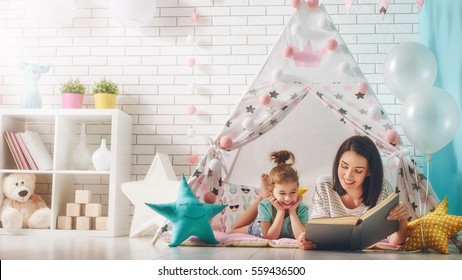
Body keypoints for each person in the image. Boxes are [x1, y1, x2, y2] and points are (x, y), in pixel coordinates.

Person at [299, 135, 410, 250]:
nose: (348, 176)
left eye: (358, 171)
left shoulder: (382, 189)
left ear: (369, 172)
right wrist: (306, 239)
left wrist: (403, 219)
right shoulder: (324, 186)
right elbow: (317, 234)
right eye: (344, 166)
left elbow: (395, 240)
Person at [231, 150, 308, 241]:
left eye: (293, 192)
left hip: (280, 208)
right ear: (271, 190)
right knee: (233, 231)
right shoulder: (265, 205)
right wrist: (280, 211)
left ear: (298, 188)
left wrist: (292, 211)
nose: (288, 199)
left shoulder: (302, 207)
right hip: (260, 229)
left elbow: (302, 237)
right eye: (282, 193)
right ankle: (262, 196)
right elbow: (270, 237)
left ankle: (265, 194)